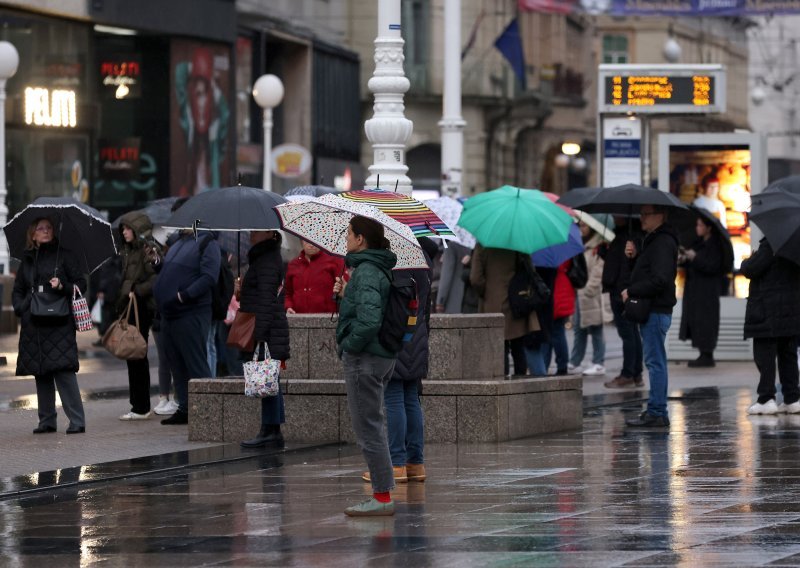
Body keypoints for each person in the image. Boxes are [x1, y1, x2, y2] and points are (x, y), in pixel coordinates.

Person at [333, 216, 398, 517]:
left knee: (369, 428)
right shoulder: (370, 269)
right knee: (373, 425)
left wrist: (349, 344)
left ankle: (382, 497)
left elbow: (370, 320)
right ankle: (382, 494)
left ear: (361, 239)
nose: (345, 239)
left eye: (348, 234)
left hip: (366, 359)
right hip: (378, 357)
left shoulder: (368, 271)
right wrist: (346, 295)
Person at [362, 237, 437, 486]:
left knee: (394, 398)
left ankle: (395, 464)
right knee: (410, 399)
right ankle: (415, 463)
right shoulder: (422, 257)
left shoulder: (393, 259)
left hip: (395, 335)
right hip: (417, 335)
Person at [12, 217, 87, 434]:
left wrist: (63, 285)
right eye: (40, 228)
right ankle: (46, 421)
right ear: (33, 234)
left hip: (59, 321)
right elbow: (19, 289)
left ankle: (77, 420)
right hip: (33, 322)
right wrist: (21, 306)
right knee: (41, 370)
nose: (46, 231)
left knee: (63, 370)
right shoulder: (27, 259)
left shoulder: (64, 255)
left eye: (49, 228)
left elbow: (81, 284)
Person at [152, 228, 221, 425]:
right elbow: (168, 271)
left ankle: (208, 411)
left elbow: (209, 277)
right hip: (170, 313)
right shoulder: (178, 243)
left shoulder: (207, 243)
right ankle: (185, 408)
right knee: (177, 364)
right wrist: (157, 262)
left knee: (195, 363)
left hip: (191, 312)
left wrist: (185, 295)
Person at [623, 205, 679, 428]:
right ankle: (656, 410)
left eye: (646, 213)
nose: (641, 217)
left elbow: (660, 279)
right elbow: (648, 272)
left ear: (660, 215)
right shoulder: (653, 240)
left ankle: (657, 411)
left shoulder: (662, 242)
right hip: (654, 310)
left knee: (655, 362)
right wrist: (633, 257)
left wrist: (632, 291)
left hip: (656, 310)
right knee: (655, 361)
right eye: (641, 212)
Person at [239, 230, 291, 448]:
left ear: (269, 233)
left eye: (256, 230)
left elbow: (267, 301)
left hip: (266, 331)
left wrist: (260, 335)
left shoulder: (268, 260)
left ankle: (270, 430)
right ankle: (272, 429)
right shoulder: (263, 257)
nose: (252, 233)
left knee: (268, 379)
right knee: (270, 379)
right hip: (266, 328)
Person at [741, 239, 800, 415]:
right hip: (790, 311)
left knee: (764, 355)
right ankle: (792, 398)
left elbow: (751, 269)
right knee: (787, 354)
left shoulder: (771, 243)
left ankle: (766, 398)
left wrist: (748, 259)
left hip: (768, 310)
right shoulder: (795, 244)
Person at [471, 245, 539, 376]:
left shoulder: (483, 246)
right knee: (518, 346)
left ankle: (503, 385)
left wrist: (485, 292)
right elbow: (530, 270)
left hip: (493, 303)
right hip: (517, 301)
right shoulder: (518, 244)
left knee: (499, 348)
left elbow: (475, 279)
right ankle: (521, 384)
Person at [116, 212, 158, 420]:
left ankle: (141, 407)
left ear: (136, 229)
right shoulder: (128, 252)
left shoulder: (146, 250)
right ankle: (137, 405)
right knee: (132, 356)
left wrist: (136, 290)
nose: (124, 232)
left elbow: (155, 279)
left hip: (140, 308)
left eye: (127, 228)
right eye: (122, 229)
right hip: (130, 308)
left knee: (137, 356)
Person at [678, 214, 727, 368]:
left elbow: (712, 266)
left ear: (708, 228)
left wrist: (695, 258)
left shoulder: (714, 246)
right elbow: (695, 264)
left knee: (706, 321)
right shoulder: (699, 243)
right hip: (695, 290)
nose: (697, 228)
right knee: (696, 320)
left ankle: (707, 354)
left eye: (700, 225)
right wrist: (685, 259)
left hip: (707, 291)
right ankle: (702, 352)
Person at [602, 217, 644, 389]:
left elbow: (627, 267)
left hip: (622, 292)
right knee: (632, 333)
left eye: (616, 214)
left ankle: (628, 374)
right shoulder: (621, 237)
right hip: (620, 289)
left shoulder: (630, 238)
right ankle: (636, 373)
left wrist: (624, 290)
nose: (613, 217)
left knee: (628, 334)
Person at [570, 222, 607, 377]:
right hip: (580, 294)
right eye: (580, 226)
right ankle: (575, 362)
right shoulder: (581, 245)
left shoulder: (598, 247)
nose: (581, 229)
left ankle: (598, 363)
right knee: (579, 329)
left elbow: (598, 272)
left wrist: (587, 290)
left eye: (584, 226)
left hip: (591, 296)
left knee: (596, 329)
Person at [285, 240, 346, 314]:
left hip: (327, 319)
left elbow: (346, 289)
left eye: (315, 241)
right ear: (301, 241)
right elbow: (287, 293)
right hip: (299, 318)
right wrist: (289, 307)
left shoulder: (334, 261)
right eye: (307, 241)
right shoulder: (293, 265)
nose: (311, 245)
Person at [435, 241, 470, 314]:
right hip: (470, 301)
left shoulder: (451, 246)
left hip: (453, 302)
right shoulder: (474, 246)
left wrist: (440, 301)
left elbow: (446, 276)